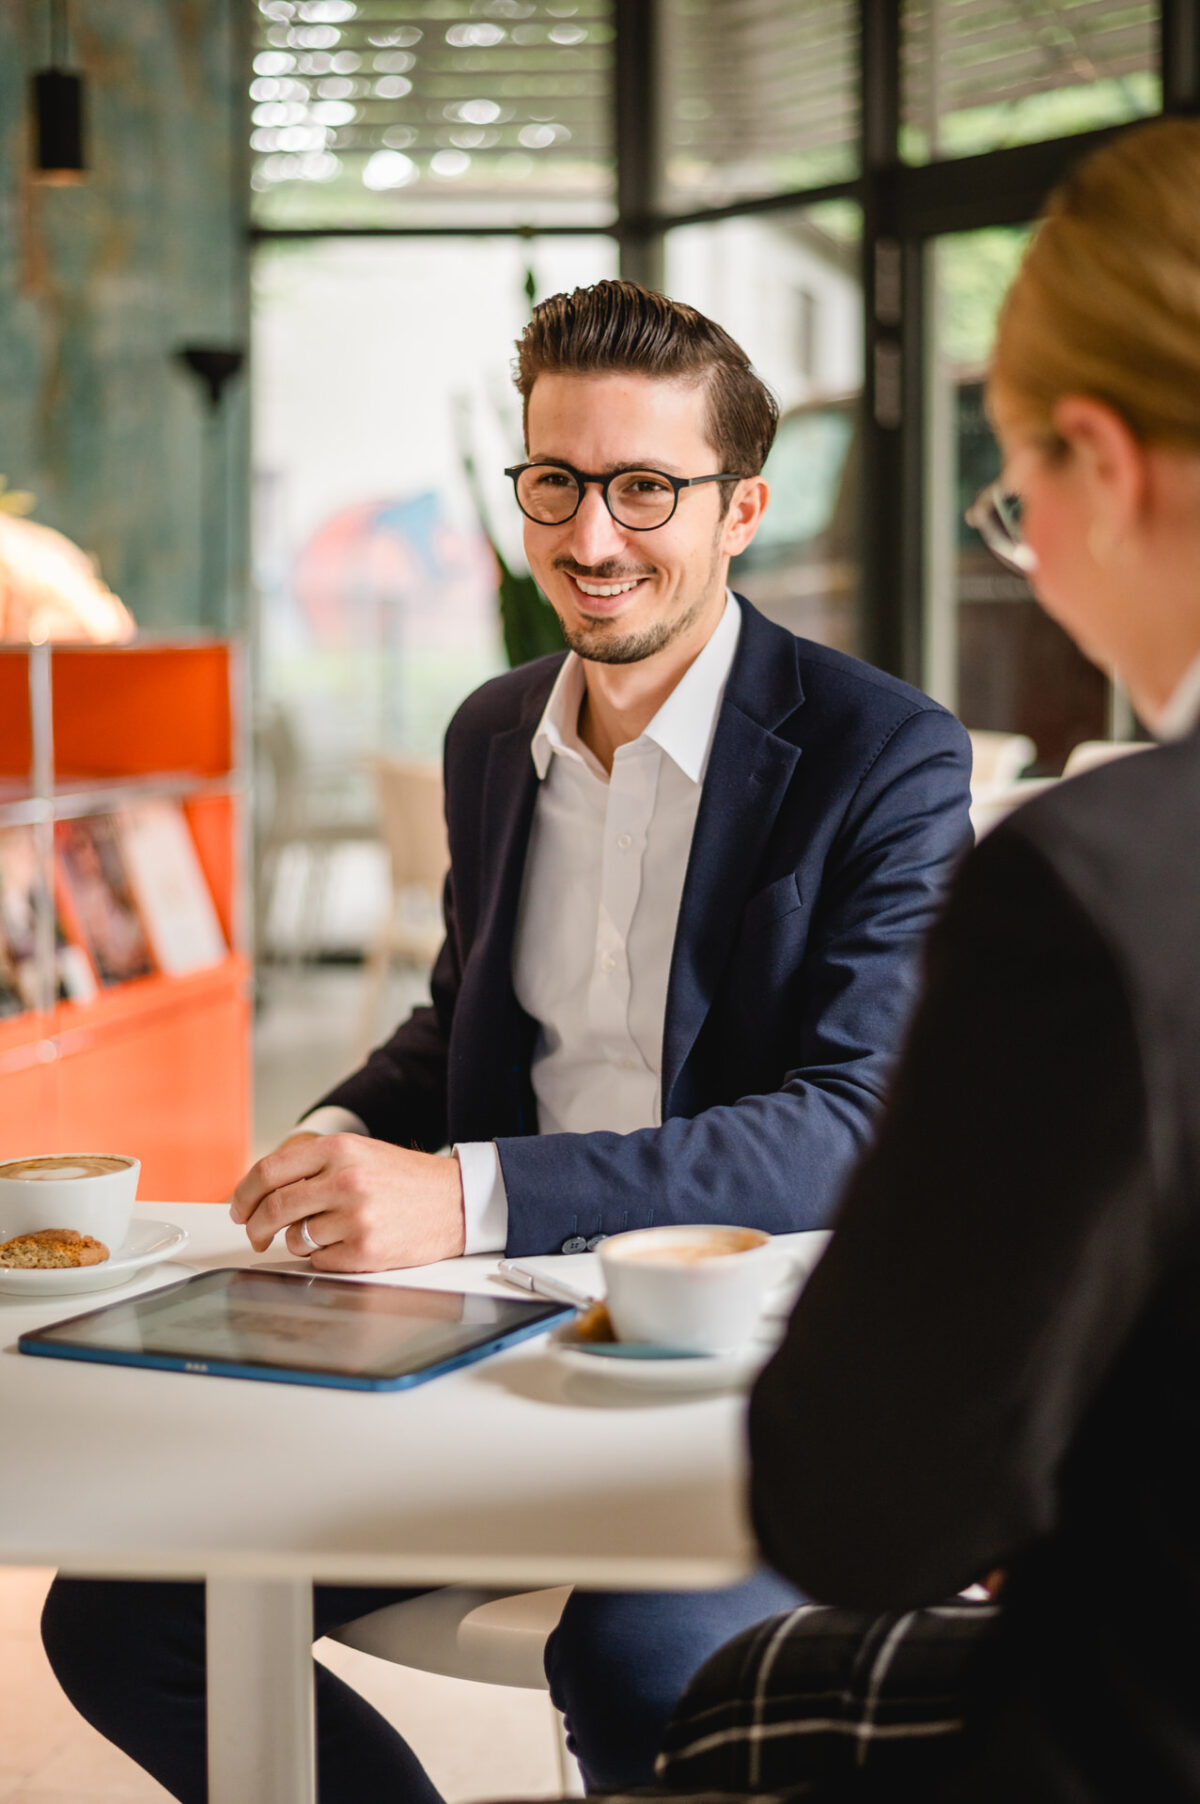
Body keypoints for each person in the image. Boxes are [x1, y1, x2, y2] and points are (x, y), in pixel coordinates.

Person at [41, 281, 971, 1804]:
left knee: (642, 1670)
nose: (591, 539)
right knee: (129, 1619)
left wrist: (463, 1192)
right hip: (472, 1345)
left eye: (644, 489)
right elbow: (463, 1014)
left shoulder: (883, 753)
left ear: (741, 509)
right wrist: (341, 1132)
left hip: (721, 1374)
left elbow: (848, 1126)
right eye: (556, 481)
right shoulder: (492, 733)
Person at [635, 115, 1200, 1804]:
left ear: (1103, 459)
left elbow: (864, 1506)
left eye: (1016, 493)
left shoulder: (1102, 892)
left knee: (736, 1713)